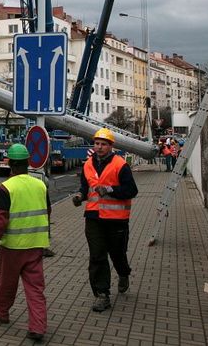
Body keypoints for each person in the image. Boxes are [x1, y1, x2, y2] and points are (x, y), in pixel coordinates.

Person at [0, 143, 50, 342]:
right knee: (36, 288)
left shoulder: (5, 189)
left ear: (9, 163)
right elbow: (47, 212)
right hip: (36, 245)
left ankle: (1, 313)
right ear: (28, 163)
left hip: (13, 247)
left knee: (6, 284)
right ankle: (38, 327)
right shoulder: (40, 185)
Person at [71, 127, 138, 312]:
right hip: (93, 218)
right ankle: (102, 294)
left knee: (117, 254)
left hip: (117, 220)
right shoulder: (88, 164)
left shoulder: (120, 165)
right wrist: (79, 196)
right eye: (97, 143)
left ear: (110, 146)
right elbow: (85, 188)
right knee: (97, 256)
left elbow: (132, 190)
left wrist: (110, 190)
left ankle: (123, 273)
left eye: (103, 144)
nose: (99, 147)